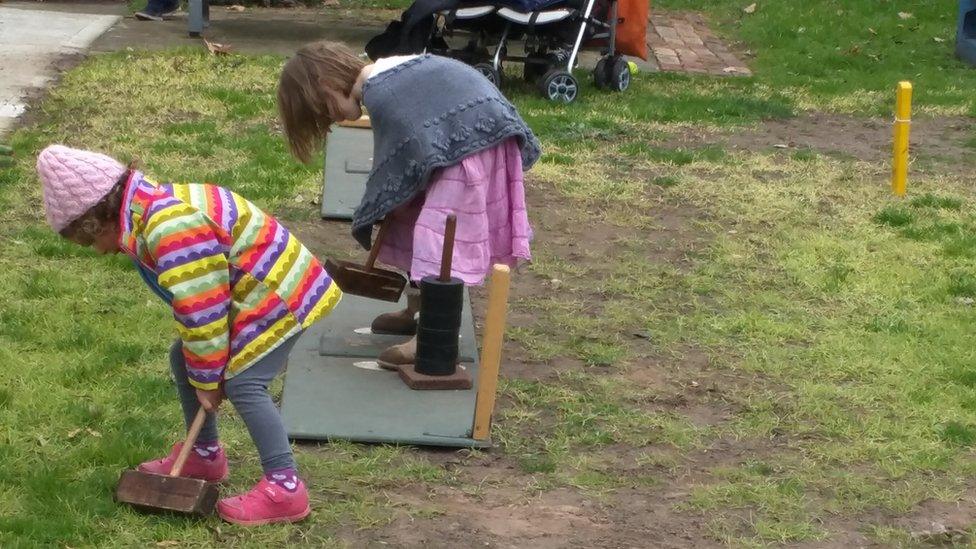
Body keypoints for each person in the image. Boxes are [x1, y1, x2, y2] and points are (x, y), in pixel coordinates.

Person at [36, 144, 342, 525]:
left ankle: (286, 488)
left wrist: (209, 379)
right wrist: (202, 370)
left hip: (280, 292)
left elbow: (203, 312)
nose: (97, 252)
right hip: (250, 290)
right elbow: (198, 306)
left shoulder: (169, 228)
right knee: (183, 356)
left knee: (244, 382)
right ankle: (205, 454)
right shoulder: (148, 211)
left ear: (97, 220)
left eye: (88, 242)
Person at [276, 41, 539, 366]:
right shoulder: (384, 76)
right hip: (461, 139)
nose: (329, 120)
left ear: (327, 85)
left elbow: (394, 162)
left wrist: (381, 200)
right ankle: (417, 308)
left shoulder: (382, 93)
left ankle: (433, 335)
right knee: (410, 220)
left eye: (322, 110)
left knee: (438, 235)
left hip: (472, 142)